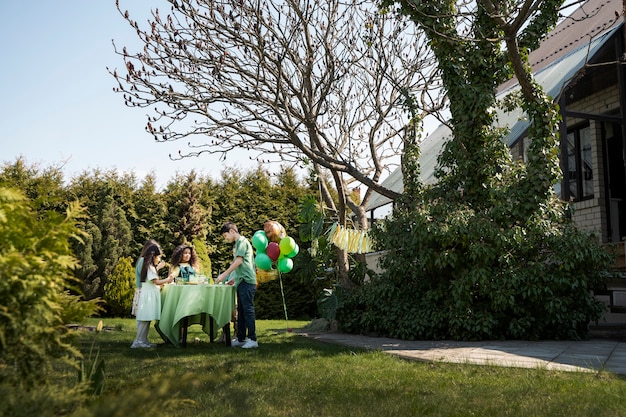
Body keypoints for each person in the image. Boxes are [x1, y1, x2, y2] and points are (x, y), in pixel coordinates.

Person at [215, 222, 258, 349]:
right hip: (241, 281)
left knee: (248, 310)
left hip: (247, 282)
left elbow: (239, 261)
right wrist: (233, 279)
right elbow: (243, 264)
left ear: (232, 231)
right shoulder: (239, 243)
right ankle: (241, 338)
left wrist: (224, 275)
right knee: (242, 311)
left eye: (225, 235)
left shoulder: (242, 242)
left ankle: (252, 339)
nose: (225, 238)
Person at [131, 244, 173, 348]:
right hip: (148, 296)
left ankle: (143, 340)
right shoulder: (150, 267)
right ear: (153, 256)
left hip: (149, 294)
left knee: (147, 318)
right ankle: (138, 341)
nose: (159, 260)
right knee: (144, 318)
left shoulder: (149, 267)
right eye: (158, 257)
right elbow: (156, 281)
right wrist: (168, 279)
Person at [132, 239, 166, 317]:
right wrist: (158, 267)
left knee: (145, 318)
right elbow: (148, 276)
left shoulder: (144, 261)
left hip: (145, 291)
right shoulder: (142, 261)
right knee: (143, 317)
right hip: (143, 291)